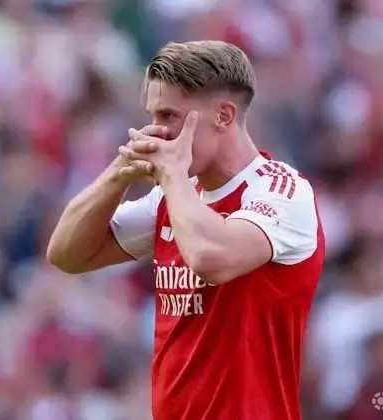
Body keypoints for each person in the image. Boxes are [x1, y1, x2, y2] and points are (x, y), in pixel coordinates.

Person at [47, 40, 325, 420]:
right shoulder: (172, 196)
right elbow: (66, 254)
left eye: (169, 116)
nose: (156, 132)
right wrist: (119, 173)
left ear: (223, 115)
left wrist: (173, 176)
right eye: (152, 116)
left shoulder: (282, 191)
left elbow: (212, 258)